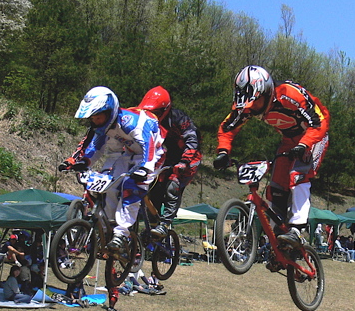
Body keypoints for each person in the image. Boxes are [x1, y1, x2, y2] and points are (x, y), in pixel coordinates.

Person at [213, 66, 330, 248]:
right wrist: (223, 151)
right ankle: (279, 237)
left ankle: (297, 228)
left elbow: (320, 122)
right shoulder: (248, 105)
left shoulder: (289, 95)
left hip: (314, 136)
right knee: (276, 187)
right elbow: (227, 128)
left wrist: (304, 144)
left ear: (267, 92)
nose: (253, 109)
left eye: (256, 103)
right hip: (289, 141)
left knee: (298, 175)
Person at [58, 86, 165, 254]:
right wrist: (85, 161)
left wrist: (145, 168)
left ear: (109, 111)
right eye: (93, 118)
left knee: (131, 187)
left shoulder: (132, 122)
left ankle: (122, 233)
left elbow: (148, 145)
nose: (95, 122)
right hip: (129, 153)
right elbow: (96, 147)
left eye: (98, 117)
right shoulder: (106, 126)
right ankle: (111, 225)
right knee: (110, 185)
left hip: (153, 154)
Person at [137, 86, 203, 238]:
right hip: (168, 156)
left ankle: (165, 224)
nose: (153, 115)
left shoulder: (180, 118)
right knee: (152, 189)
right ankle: (151, 228)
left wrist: (185, 162)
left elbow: (192, 140)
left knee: (172, 186)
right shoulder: (147, 120)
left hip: (190, 156)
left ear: (166, 109)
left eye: (157, 112)